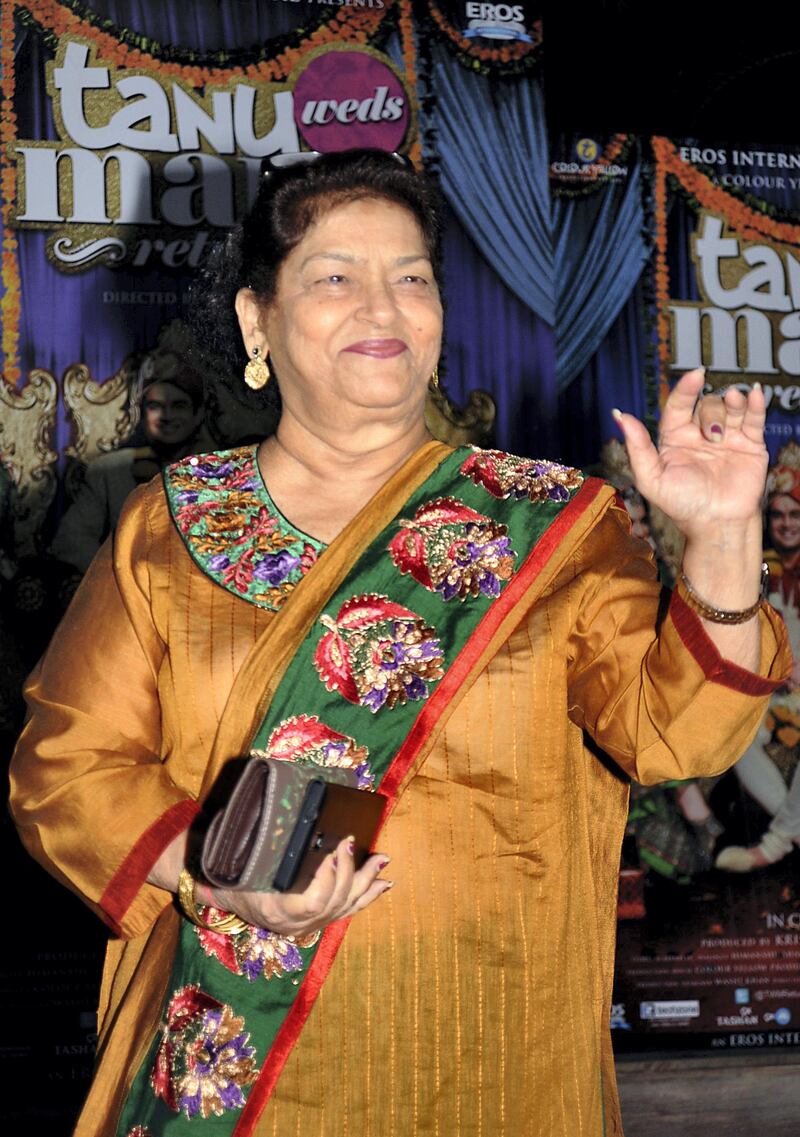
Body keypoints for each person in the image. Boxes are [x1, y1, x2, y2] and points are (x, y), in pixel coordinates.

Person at [10, 151, 790, 1137]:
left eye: (410, 278)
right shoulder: (171, 528)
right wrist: (212, 880)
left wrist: (719, 541)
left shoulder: (552, 524)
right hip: (234, 1071)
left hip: (488, 1061)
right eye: (335, 277)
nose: (381, 308)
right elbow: (65, 768)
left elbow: (676, 738)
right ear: (257, 319)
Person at [50, 342, 208, 573]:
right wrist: (120, 575)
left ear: (198, 414)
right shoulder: (110, 471)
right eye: (155, 406)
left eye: (179, 406)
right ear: (142, 415)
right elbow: (70, 541)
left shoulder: (224, 472)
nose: (167, 416)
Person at [716, 442, 800, 872]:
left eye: (795, 514)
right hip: (770, 688)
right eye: (779, 515)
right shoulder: (756, 569)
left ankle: (777, 843)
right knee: (740, 738)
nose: (786, 524)